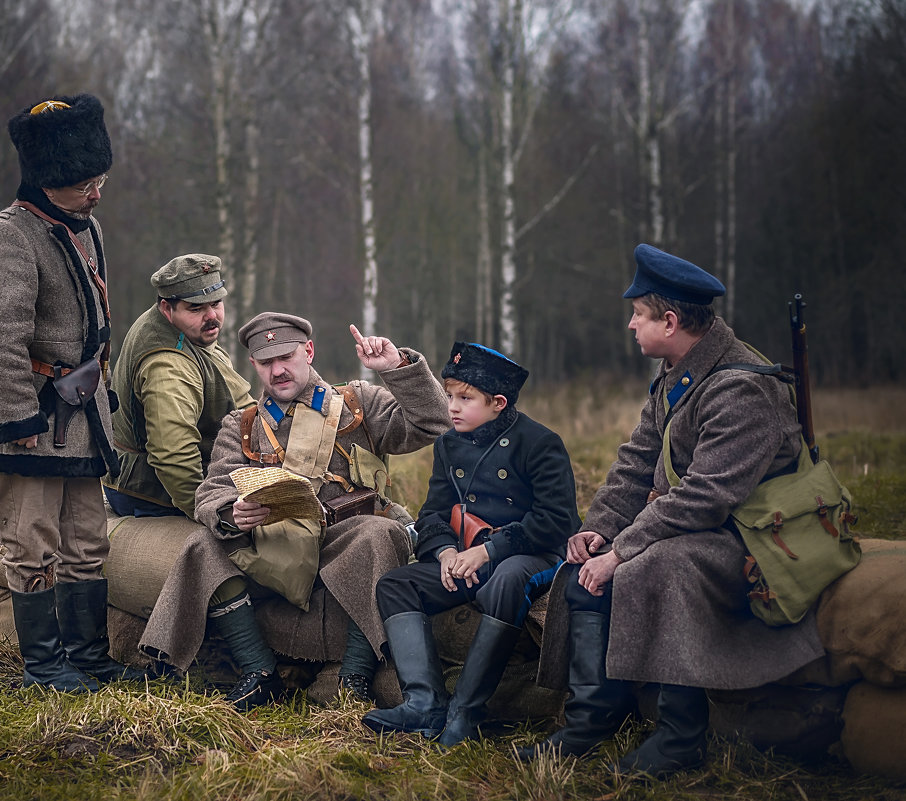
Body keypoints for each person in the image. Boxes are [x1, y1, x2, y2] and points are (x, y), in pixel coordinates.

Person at [520, 244, 824, 776]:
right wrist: (599, 531)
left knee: (657, 566)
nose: (630, 326)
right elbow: (636, 464)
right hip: (697, 525)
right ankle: (593, 719)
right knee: (580, 575)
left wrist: (624, 550)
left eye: (638, 316)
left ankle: (681, 737)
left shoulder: (743, 388)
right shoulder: (676, 373)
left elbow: (706, 497)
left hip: (754, 537)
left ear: (671, 320)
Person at [139, 313, 450, 709]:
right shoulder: (243, 424)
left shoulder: (358, 403)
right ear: (253, 365)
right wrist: (231, 513)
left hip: (344, 542)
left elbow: (436, 423)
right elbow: (212, 490)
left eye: (286, 356)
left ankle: (353, 676)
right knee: (203, 544)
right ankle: (259, 673)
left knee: (378, 532)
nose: (278, 370)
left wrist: (397, 370)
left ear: (309, 351)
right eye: (266, 362)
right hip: (277, 547)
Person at [0, 94, 144, 692]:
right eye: (82, 183)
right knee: (30, 541)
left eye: (100, 180)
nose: (96, 193)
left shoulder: (86, 227)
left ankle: (88, 658)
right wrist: (19, 419)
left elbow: (94, 324)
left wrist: (102, 392)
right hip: (33, 417)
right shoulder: (5, 238)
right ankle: (45, 666)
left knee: (88, 539)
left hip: (83, 415)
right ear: (47, 180)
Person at [363, 342, 579, 746]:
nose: (452, 407)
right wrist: (445, 552)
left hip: (533, 555)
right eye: (448, 396)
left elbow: (557, 522)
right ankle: (424, 703)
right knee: (396, 585)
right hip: (467, 557)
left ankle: (466, 711)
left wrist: (487, 552)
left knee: (507, 579)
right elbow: (433, 513)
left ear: (498, 402)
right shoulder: (449, 443)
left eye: (465, 398)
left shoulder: (540, 443)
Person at [104, 254, 255, 518]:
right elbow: (174, 457)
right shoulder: (168, 366)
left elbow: (236, 396)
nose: (212, 317)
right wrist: (215, 513)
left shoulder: (190, 331)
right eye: (196, 309)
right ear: (166, 308)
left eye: (216, 303)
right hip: (150, 491)